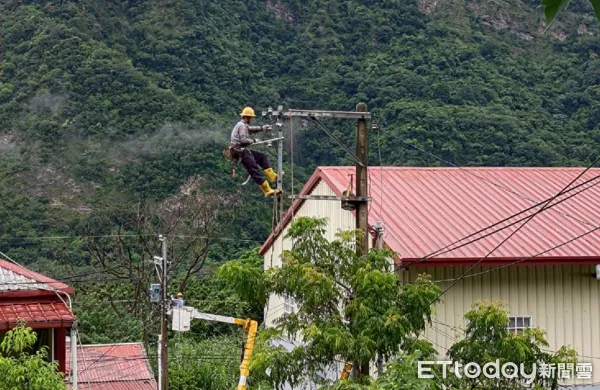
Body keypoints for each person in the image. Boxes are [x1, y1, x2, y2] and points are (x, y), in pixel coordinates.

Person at [231, 107, 281, 197]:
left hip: (242, 150)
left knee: (262, 157)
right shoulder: (242, 126)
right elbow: (243, 140)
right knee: (254, 170)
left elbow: (251, 129)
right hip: (240, 152)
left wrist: (262, 128)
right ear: (247, 117)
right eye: (251, 117)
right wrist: (253, 141)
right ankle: (267, 190)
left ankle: (272, 176)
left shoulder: (243, 125)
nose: (252, 119)